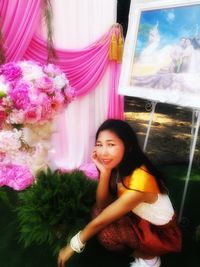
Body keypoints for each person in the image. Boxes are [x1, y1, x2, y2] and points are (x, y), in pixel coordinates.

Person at [58, 119, 182, 267]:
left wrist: (72, 246)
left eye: (111, 144)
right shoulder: (121, 165)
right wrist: (105, 172)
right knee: (97, 211)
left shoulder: (140, 180)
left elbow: (102, 220)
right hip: (139, 216)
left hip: (159, 232)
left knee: (107, 235)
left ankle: (150, 257)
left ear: (128, 146)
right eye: (99, 144)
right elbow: (102, 203)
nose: (103, 152)